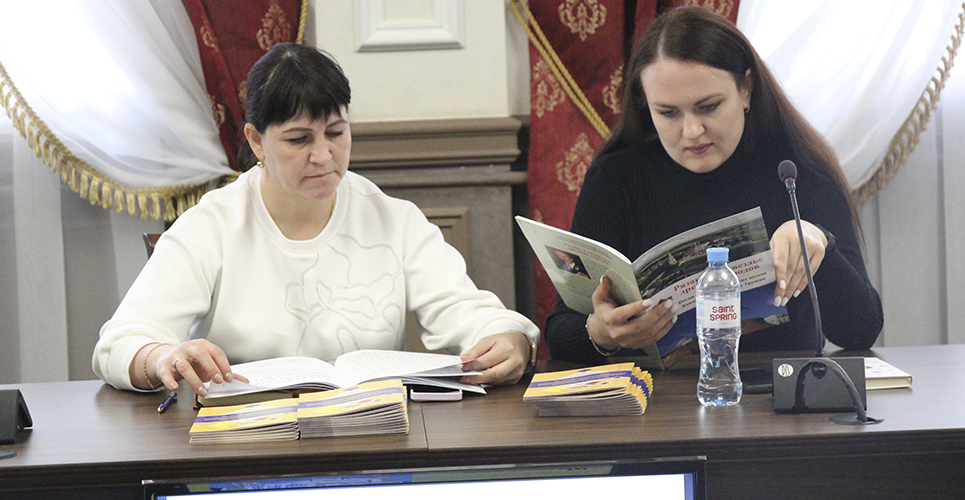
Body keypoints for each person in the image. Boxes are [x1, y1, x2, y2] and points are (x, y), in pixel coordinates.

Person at [93, 43, 539, 394]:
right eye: (299, 139)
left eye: (336, 133)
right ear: (257, 140)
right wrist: (161, 356)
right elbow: (119, 344)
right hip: (245, 440)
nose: (323, 156)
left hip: (373, 432)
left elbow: (470, 314)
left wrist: (508, 339)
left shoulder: (394, 220)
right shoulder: (212, 224)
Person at [544, 6, 883, 363]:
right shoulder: (616, 178)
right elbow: (560, 331)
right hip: (656, 392)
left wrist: (819, 242)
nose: (692, 131)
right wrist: (601, 332)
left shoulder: (796, 170)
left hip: (781, 387)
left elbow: (860, 331)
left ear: (746, 89)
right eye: (668, 113)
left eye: (708, 107)